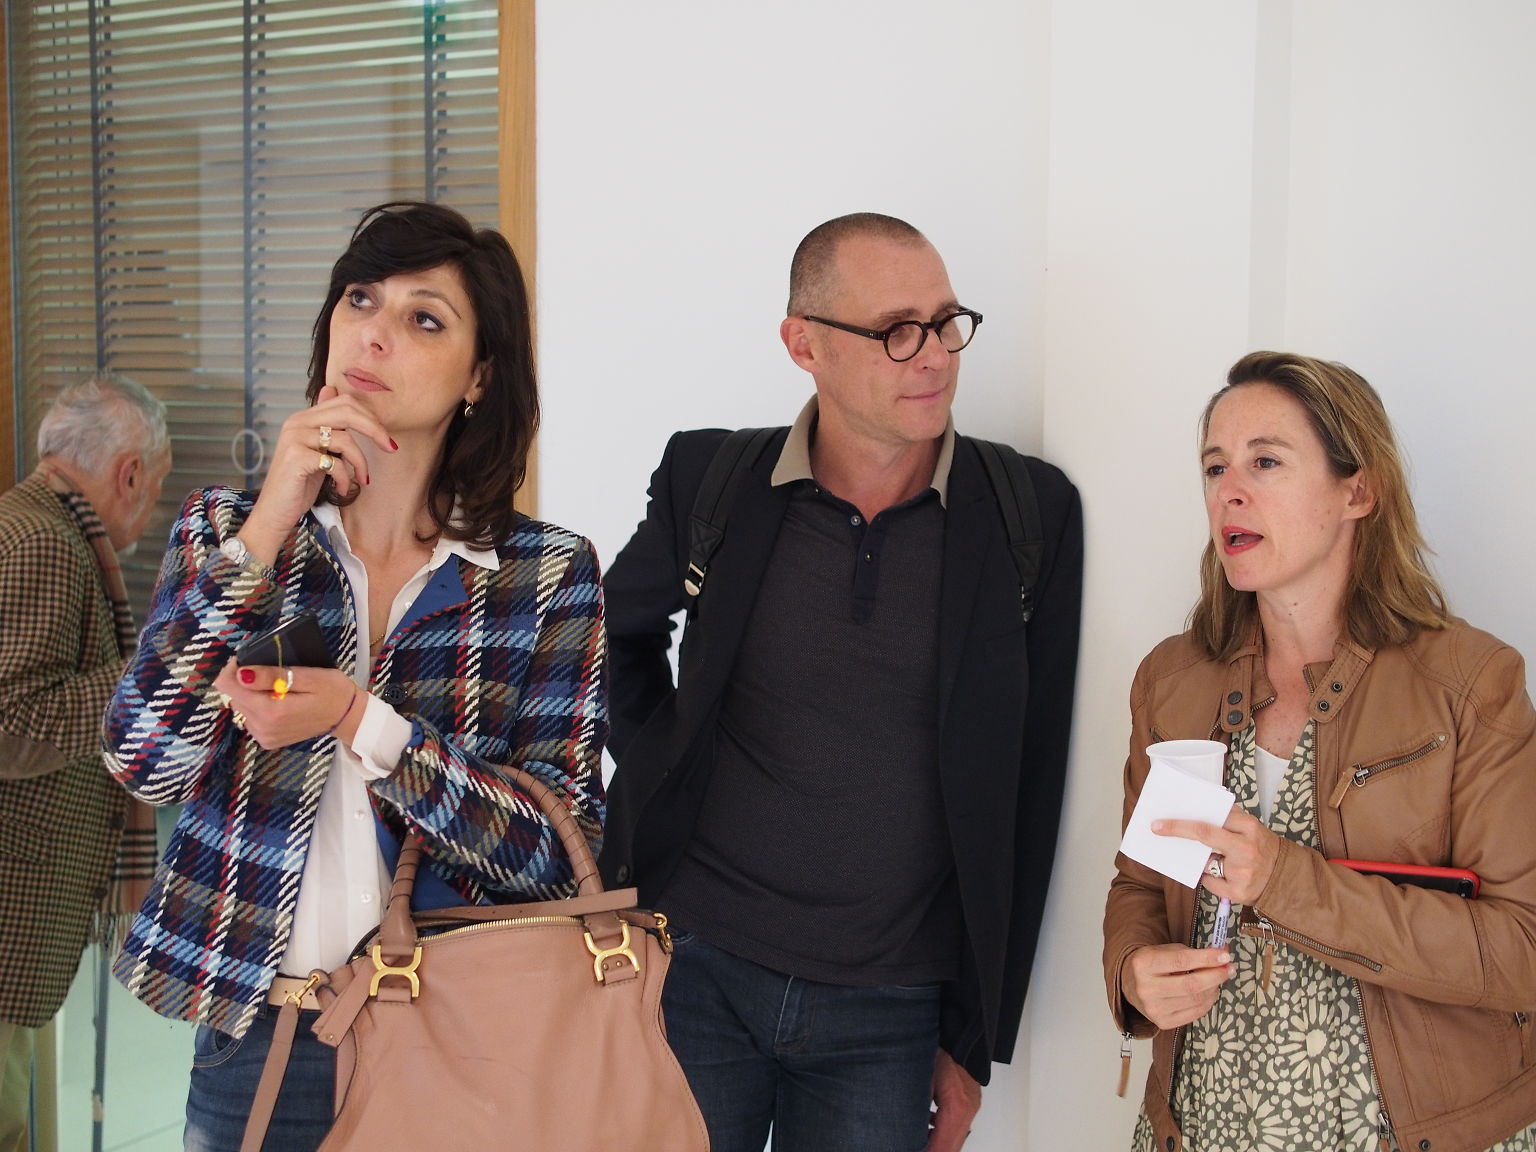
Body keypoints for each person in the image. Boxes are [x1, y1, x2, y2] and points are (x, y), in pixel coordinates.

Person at [103, 201, 607, 1152]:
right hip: (258, 1033)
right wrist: (268, 524)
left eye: (425, 318)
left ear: (480, 375)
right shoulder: (229, 532)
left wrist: (364, 726)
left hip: (462, 1035)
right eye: (360, 299)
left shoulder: (544, 574)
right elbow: (142, 761)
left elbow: (554, 851)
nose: (374, 333)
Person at [600, 212, 1084, 1152]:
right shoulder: (712, 477)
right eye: (897, 330)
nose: (934, 355)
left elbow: (1030, 786)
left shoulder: (1027, 513)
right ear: (804, 345)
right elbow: (609, 635)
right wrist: (663, 754)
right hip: (693, 968)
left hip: (889, 1009)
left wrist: (973, 1042)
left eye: (946, 322)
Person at [1103, 351, 1536, 1152]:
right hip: (1203, 1126)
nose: (1229, 491)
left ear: (1357, 492)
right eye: (1215, 467)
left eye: (1265, 462)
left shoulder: (1471, 684)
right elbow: (1139, 883)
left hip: (1402, 1133)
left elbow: (1521, 952)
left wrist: (1285, 881)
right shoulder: (1172, 680)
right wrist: (1133, 973)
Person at [0, 374, 171, 1152]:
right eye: (157, 487)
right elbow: (11, 721)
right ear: (129, 474)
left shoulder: (38, 527)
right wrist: (147, 676)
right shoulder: (44, 543)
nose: (153, 510)